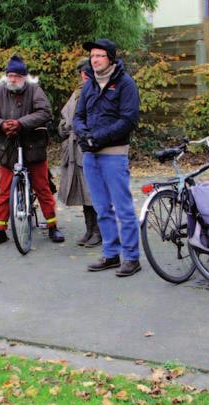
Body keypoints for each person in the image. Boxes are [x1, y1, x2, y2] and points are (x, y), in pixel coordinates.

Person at [73, 38, 142, 277]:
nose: (95, 60)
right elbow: (78, 115)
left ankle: (132, 257)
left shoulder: (125, 84)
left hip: (114, 155)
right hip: (91, 156)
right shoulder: (89, 85)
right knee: (102, 208)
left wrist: (99, 137)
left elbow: (128, 120)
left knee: (123, 208)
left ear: (111, 58)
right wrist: (83, 134)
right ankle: (111, 253)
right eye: (92, 56)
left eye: (100, 56)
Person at [0, 55, 64, 246]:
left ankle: (52, 226)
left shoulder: (35, 90)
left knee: (43, 188)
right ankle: (0, 230)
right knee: (4, 192)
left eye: (17, 76)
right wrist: (2, 125)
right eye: (10, 75)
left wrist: (21, 123)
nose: (12, 79)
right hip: (7, 149)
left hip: (33, 147)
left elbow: (45, 112)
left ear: (24, 77)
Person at [59, 59, 101, 247]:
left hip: (86, 148)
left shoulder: (95, 91)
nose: (82, 75)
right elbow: (64, 117)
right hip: (73, 149)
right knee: (83, 193)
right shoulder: (76, 93)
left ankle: (99, 232)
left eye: (84, 72)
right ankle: (89, 229)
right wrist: (63, 127)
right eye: (81, 73)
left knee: (93, 192)